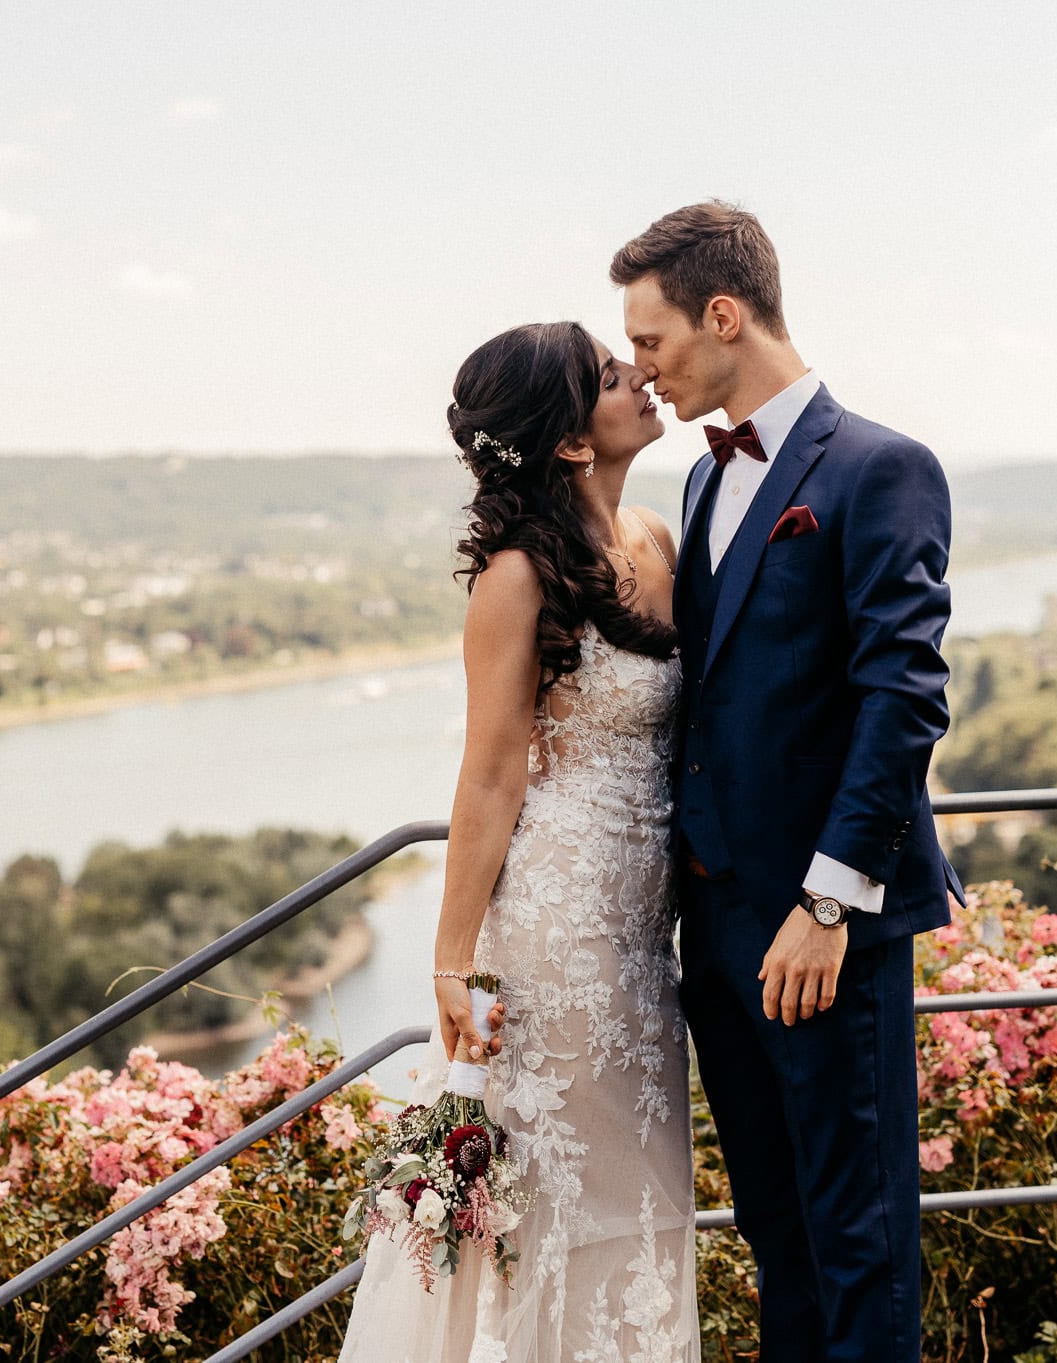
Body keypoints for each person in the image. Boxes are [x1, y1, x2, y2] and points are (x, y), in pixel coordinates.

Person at [613, 200, 964, 1363]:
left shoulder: (879, 468)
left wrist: (826, 905)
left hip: (824, 932)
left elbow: (901, 697)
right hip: (715, 933)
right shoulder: (707, 484)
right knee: (776, 1229)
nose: (640, 366)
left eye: (652, 338)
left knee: (856, 1236)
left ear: (723, 314)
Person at [338, 321, 700, 1363]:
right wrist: (452, 961)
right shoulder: (513, 577)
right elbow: (491, 773)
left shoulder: (658, 539)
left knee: (645, 1199)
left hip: (643, 937)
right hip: (557, 938)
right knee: (569, 1208)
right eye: (608, 373)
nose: (638, 372)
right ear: (571, 441)